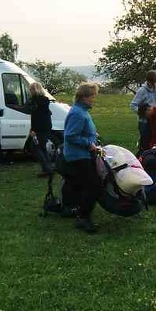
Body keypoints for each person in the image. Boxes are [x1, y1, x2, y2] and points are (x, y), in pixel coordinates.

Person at [63, 82, 102, 233]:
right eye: (93, 96)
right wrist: (88, 143)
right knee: (94, 186)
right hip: (78, 156)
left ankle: (80, 213)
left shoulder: (82, 111)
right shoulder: (77, 113)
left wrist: (94, 136)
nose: (94, 99)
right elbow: (70, 136)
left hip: (83, 154)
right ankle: (83, 217)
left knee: (82, 186)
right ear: (84, 97)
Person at [129, 70, 156, 151]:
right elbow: (133, 105)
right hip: (144, 122)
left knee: (155, 142)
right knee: (145, 143)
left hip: (155, 120)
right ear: (148, 81)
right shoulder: (142, 91)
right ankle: (142, 158)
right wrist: (143, 113)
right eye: (151, 82)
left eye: (154, 82)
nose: (153, 84)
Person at [28, 81, 53, 177]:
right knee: (42, 147)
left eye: (31, 90)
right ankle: (48, 167)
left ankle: (47, 168)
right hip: (45, 127)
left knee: (36, 148)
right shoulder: (44, 100)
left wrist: (33, 129)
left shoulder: (37, 101)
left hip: (40, 128)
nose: (30, 92)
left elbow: (37, 117)